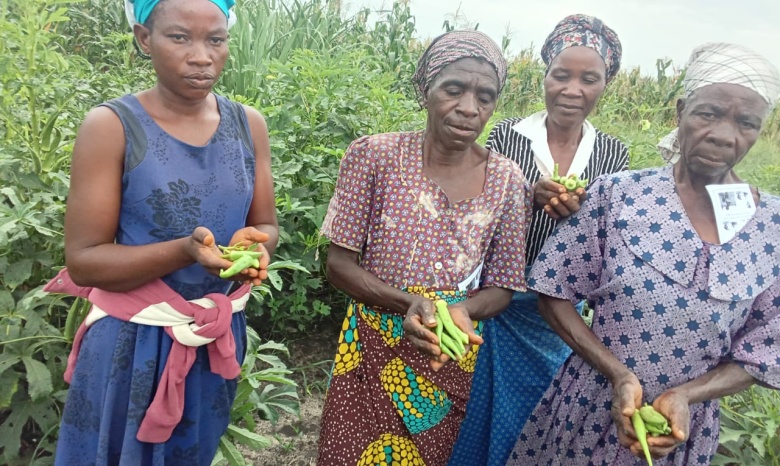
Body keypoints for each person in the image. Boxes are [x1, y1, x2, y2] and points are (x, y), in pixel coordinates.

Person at [507, 42, 780, 465]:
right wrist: (618, 374)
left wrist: (686, 395)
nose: (724, 135)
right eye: (708, 114)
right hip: (587, 408)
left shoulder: (771, 227)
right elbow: (553, 293)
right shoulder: (619, 194)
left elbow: (762, 349)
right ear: (681, 111)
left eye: (746, 123)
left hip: (683, 429)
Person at [44, 0, 278, 463]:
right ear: (144, 39)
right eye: (179, 37)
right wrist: (186, 251)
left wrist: (256, 246)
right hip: (132, 344)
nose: (201, 56)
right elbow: (85, 260)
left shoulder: (248, 125)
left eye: (216, 39)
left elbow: (266, 224)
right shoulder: (111, 126)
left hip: (213, 338)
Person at [316, 30, 533, 466]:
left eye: (485, 97)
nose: (469, 108)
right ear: (425, 90)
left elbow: (503, 287)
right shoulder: (374, 156)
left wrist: (462, 311)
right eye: (453, 89)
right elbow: (338, 265)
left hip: (447, 350)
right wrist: (408, 303)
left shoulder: (508, 181)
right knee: (352, 453)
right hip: (371, 347)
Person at [448, 14, 628, 466]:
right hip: (500, 298)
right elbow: (480, 212)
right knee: (483, 405)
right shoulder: (508, 135)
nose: (572, 89)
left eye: (589, 79)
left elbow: (606, 240)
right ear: (545, 76)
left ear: (605, 85)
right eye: (561, 75)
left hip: (561, 309)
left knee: (541, 408)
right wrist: (528, 198)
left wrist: (584, 215)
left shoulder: (613, 154)